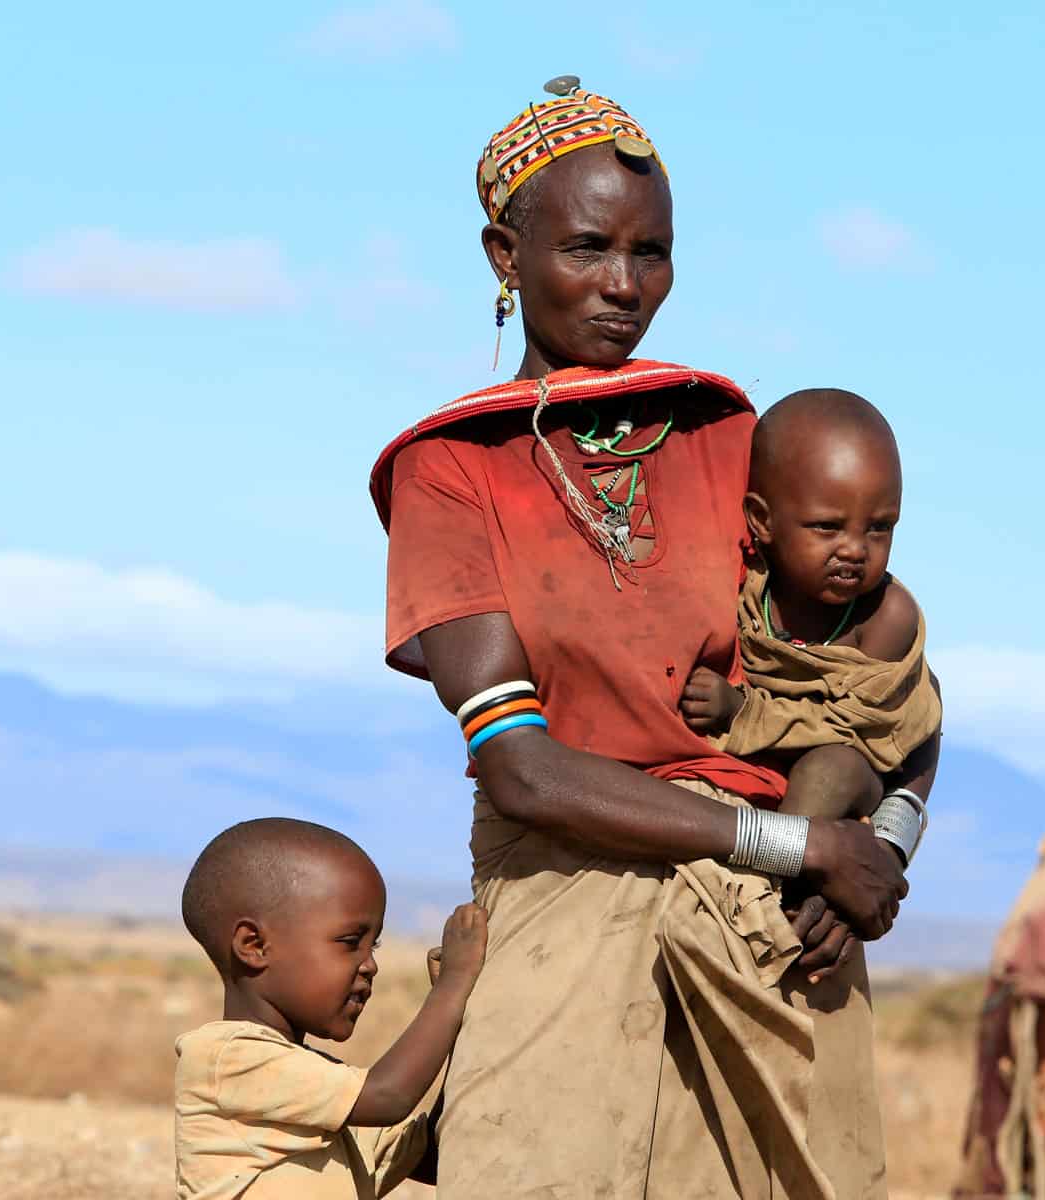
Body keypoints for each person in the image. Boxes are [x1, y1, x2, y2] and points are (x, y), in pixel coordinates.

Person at [368, 78, 939, 1198]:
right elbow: (521, 768)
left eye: (652, 252)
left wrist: (882, 851)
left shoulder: (725, 434)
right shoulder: (450, 472)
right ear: (504, 252)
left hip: (771, 932)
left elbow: (892, 694)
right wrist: (800, 849)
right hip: (566, 899)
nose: (624, 287)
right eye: (587, 248)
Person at [680, 388, 942, 851]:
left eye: (880, 527)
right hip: (745, 775)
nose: (855, 549)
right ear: (762, 520)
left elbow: (853, 730)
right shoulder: (742, 590)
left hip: (848, 774)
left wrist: (741, 712)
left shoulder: (884, 616)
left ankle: (772, 889)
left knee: (828, 770)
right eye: (828, 527)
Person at [172, 817, 487, 1200]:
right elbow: (388, 1096)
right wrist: (453, 987)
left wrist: (463, 1021)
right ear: (253, 945)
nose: (370, 964)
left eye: (375, 946)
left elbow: (434, 1153)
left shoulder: (321, 1092)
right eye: (350, 942)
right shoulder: (224, 1059)